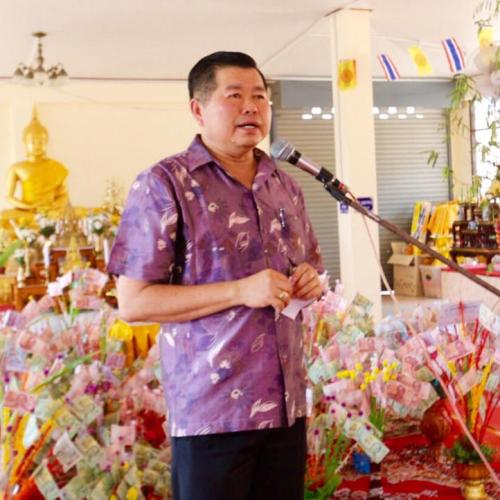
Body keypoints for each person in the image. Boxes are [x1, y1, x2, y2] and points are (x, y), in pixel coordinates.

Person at [108, 51, 323, 500]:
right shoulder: (164, 183)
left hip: (286, 408)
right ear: (198, 109)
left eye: (260, 97)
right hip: (212, 412)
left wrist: (309, 281)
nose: (251, 107)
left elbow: (310, 271)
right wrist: (240, 291)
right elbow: (133, 302)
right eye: (235, 96)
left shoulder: (284, 185)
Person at [6, 108, 69, 211]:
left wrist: (52, 206)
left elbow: (64, 195)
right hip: (26, 211)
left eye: (41, 142)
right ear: (25, 142)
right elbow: (9, 197)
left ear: (46, 142)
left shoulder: (57, 167)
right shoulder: (16, 168)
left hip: (50, 211)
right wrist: (28, 207)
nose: (37, 146)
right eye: (32, 142)